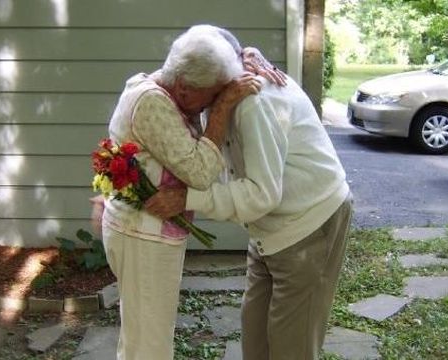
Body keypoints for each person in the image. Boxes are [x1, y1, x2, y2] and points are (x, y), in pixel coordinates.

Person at [145, 26, 353, 360]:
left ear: (218, 83)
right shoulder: (218, 81)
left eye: (184, 95)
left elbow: (261, 195)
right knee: (256, 345)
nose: (178, 100)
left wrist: (187, 200)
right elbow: (211, 41)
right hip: (268, 232)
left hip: (310, 225)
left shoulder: (252, 104)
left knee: (292, 349)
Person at [100, 27, 262, 360]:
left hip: (145, 235)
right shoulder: (153, 104)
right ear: (186, 89)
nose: (219, 98)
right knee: (149, 347)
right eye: (214, 94)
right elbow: (201, 173)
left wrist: (246, 55)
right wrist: (222, 109)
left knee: (142, 339)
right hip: (143, 238)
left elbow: (212, 35)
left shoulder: (167, 88)